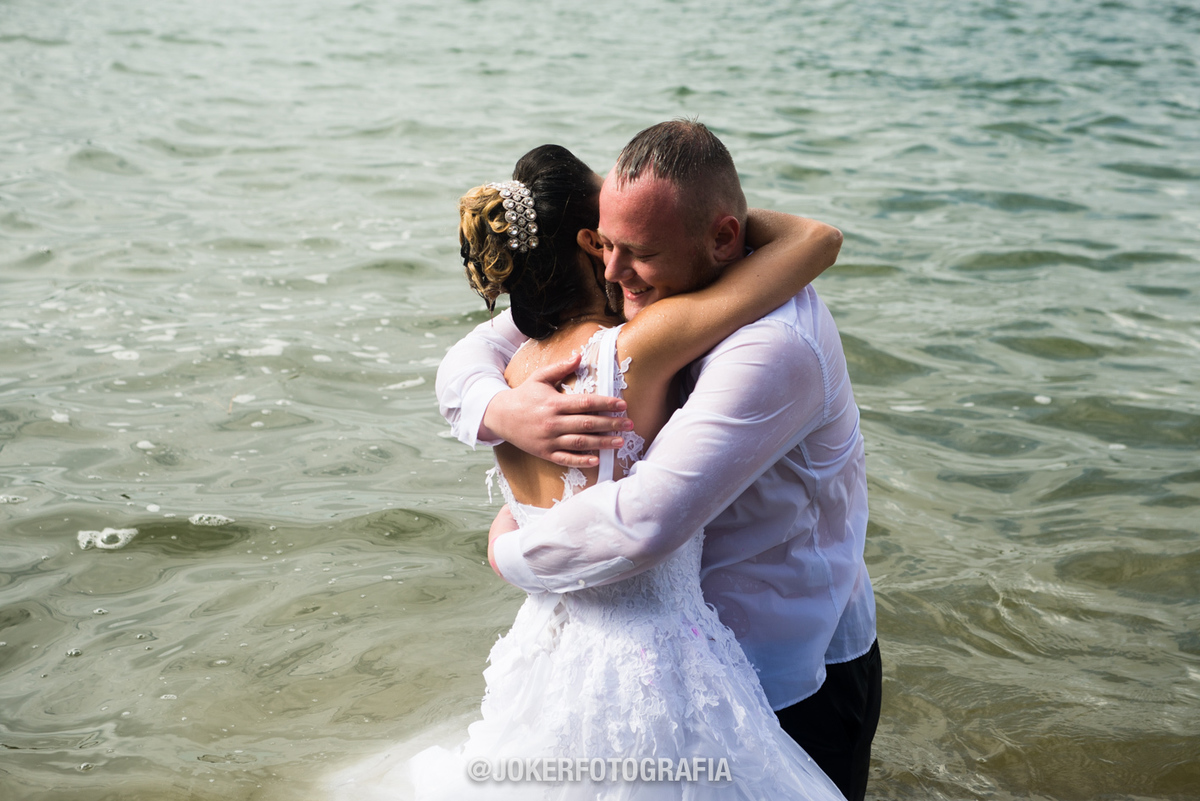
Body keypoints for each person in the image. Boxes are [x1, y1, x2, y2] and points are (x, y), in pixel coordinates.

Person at [437, 121, 880, 801]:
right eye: (604, 245)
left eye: (635, 250)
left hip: (791, 664)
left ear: (724, 238)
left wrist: (511, 549)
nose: (613, 271)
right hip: (672, 658)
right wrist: (499, 410)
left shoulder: (771, 344)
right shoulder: (641, 292)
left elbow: (641, 522)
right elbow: (479, 348)